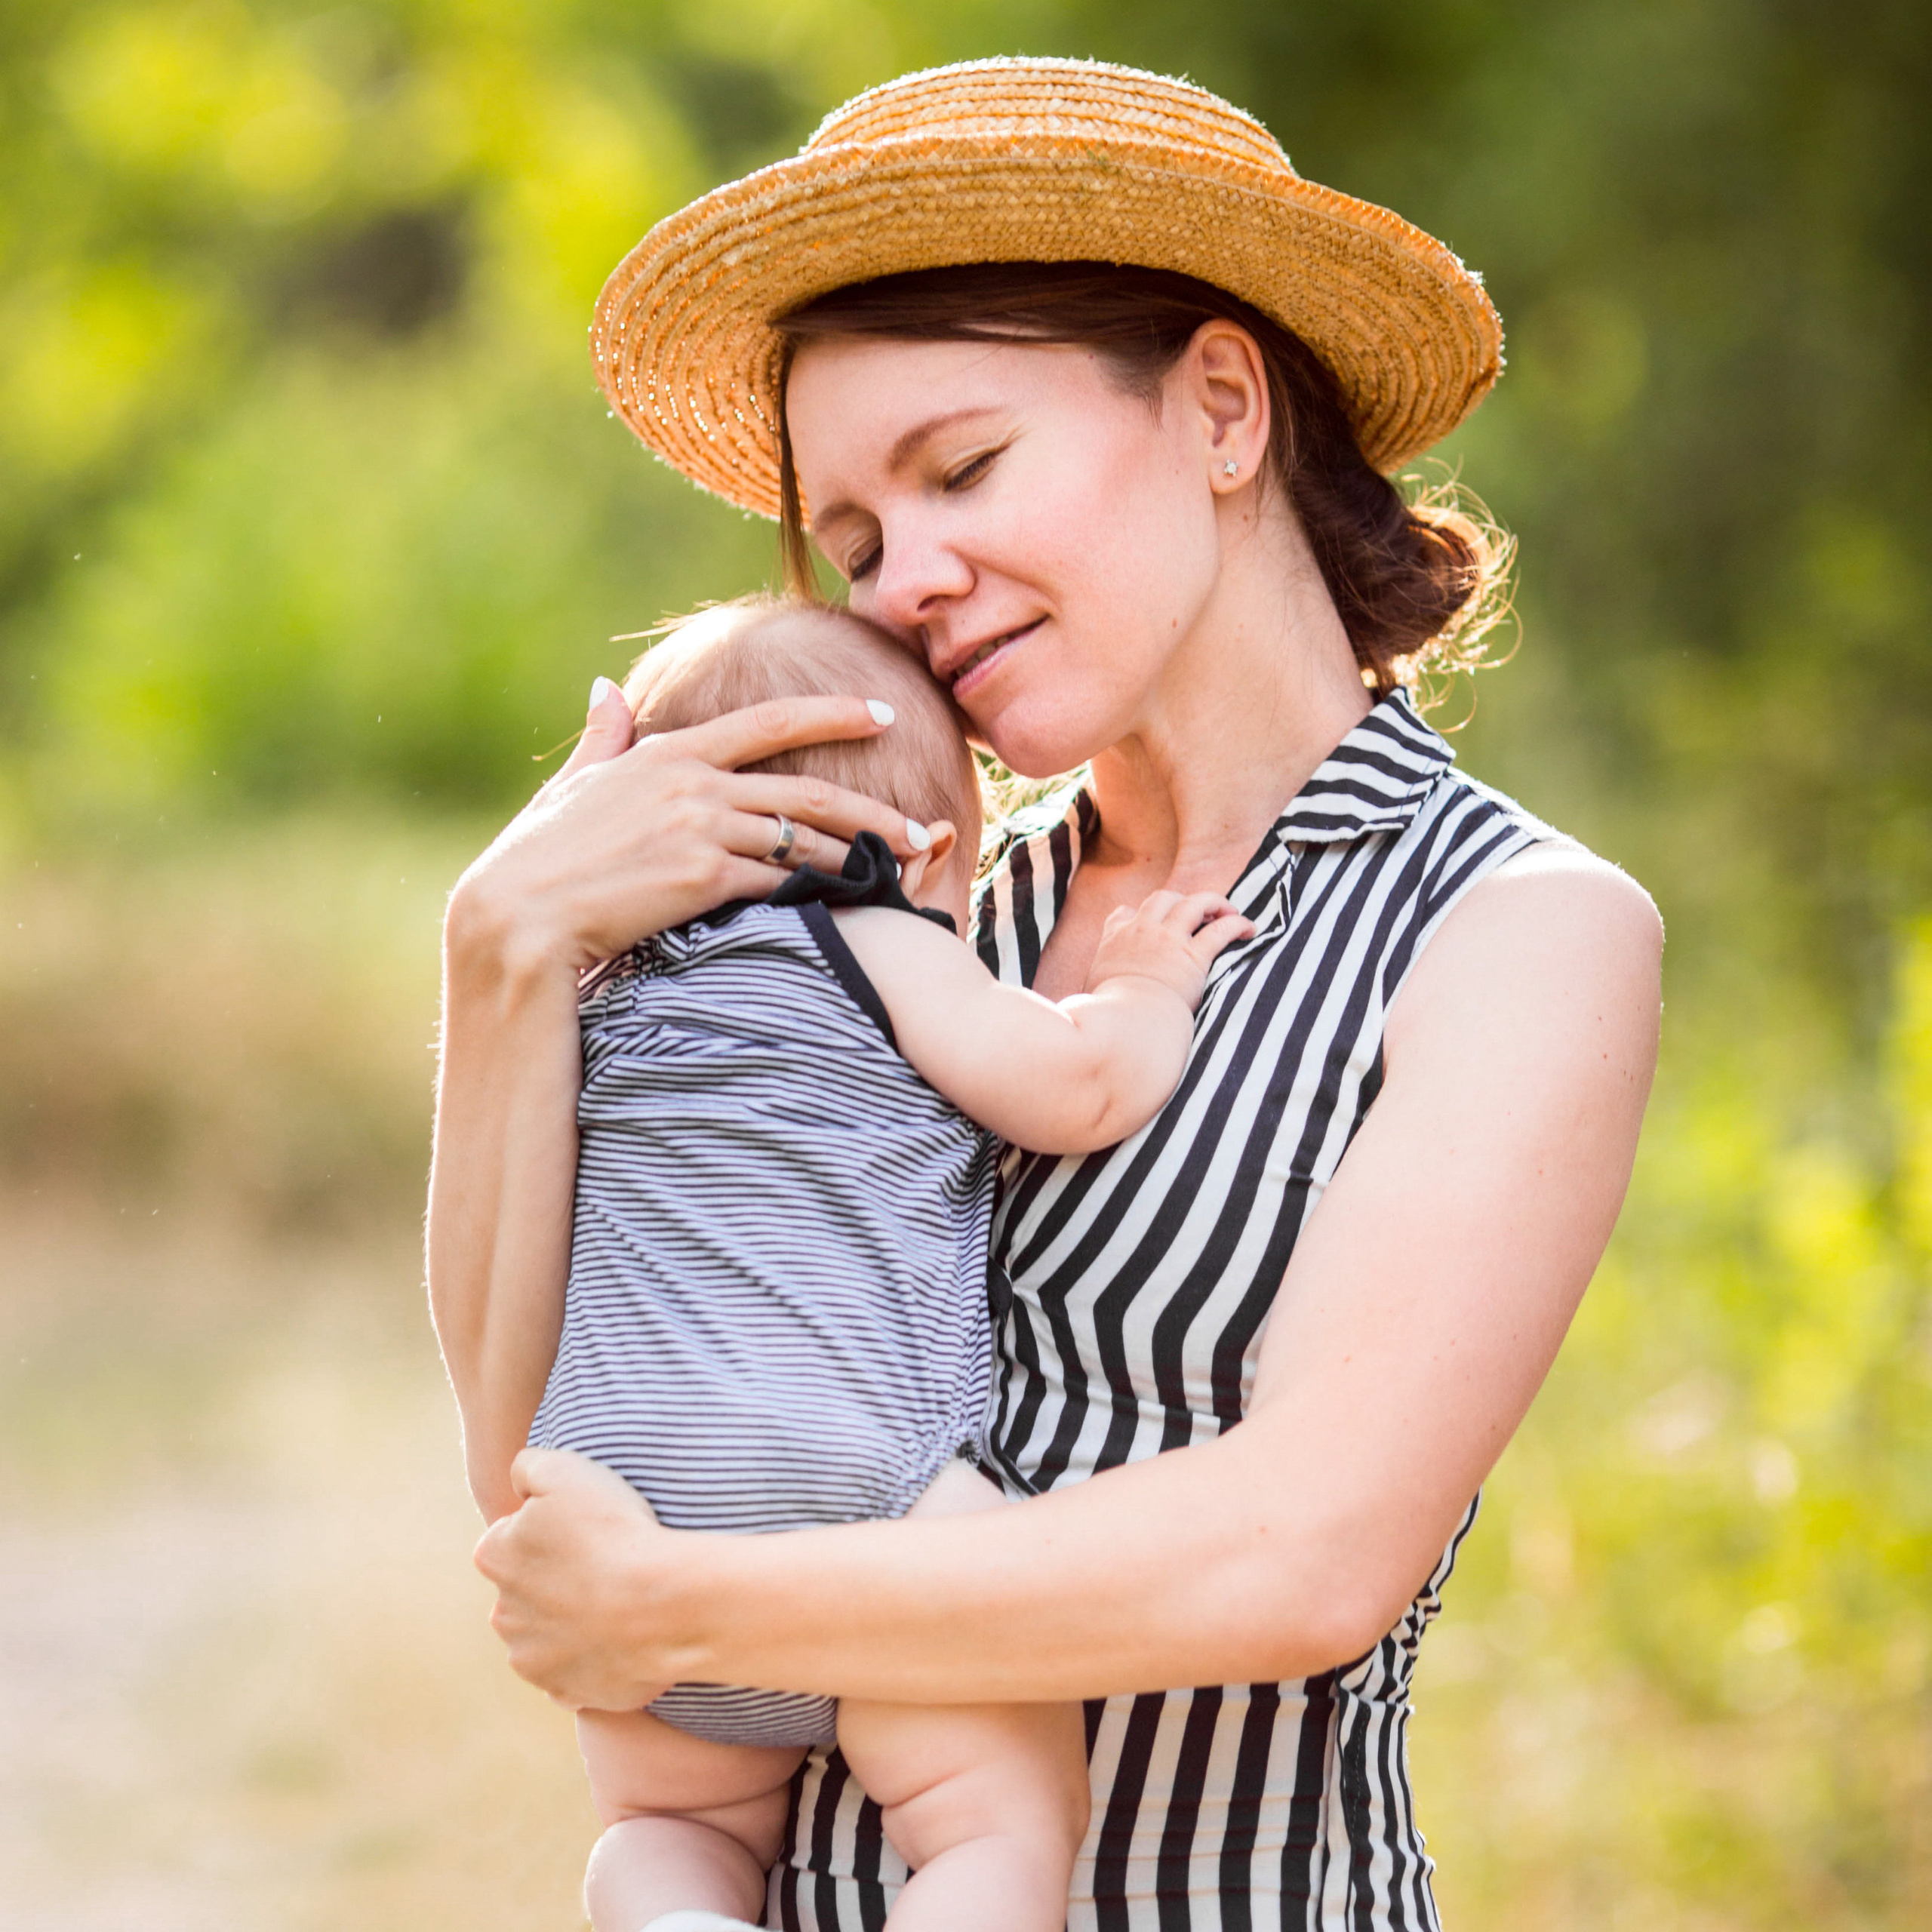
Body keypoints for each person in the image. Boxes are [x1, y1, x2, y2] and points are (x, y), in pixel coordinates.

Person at [429, 57, 1664, 1932]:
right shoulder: (900, 912)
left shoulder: (1508, 925)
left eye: (963, 468)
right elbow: (546, 1445)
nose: (902, 580)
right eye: (849, 542)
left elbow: (1301, 1549)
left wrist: (688, 1604)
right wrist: (504, 956)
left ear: (1222, 405)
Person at [504, 592, 1248, 1932]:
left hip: (626, 1477)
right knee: (995, 1820)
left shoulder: (608, 993)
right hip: (856, 1469)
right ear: (935, 852)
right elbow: (1073, 1088)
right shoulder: (882, 940)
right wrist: (1145, 992)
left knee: (666, 1828)